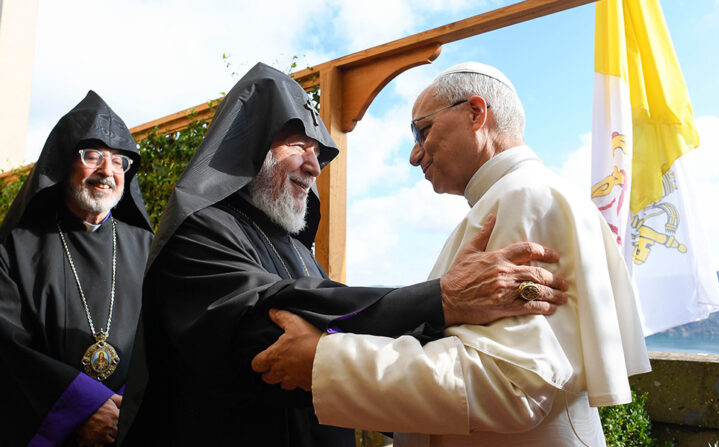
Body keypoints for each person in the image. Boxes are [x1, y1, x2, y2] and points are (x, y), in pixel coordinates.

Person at [117, 62, 571, 447]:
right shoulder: (199, 234)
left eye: (318, 152)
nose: (314, 166)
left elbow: (348, 323)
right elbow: (268, 332)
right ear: (247, 149)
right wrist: (442, 298)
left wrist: (445, 317)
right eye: (298, 145)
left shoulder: (295, 248)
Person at [252, 62, 652, 446]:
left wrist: (324, 360)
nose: (414, 154)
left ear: (476, 113)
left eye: (422, 130)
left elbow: (511, 385)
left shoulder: (523, 197)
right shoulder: (517, 196)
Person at [0, 91, 153, 446]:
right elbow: (8, 346)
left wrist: (125, 407)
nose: (107, 171)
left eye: (119, 161)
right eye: (93, 156)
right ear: (63, 162)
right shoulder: (16, 247)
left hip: (130, 425)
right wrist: (82, 408)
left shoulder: (148, 248)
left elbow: (165, 335)